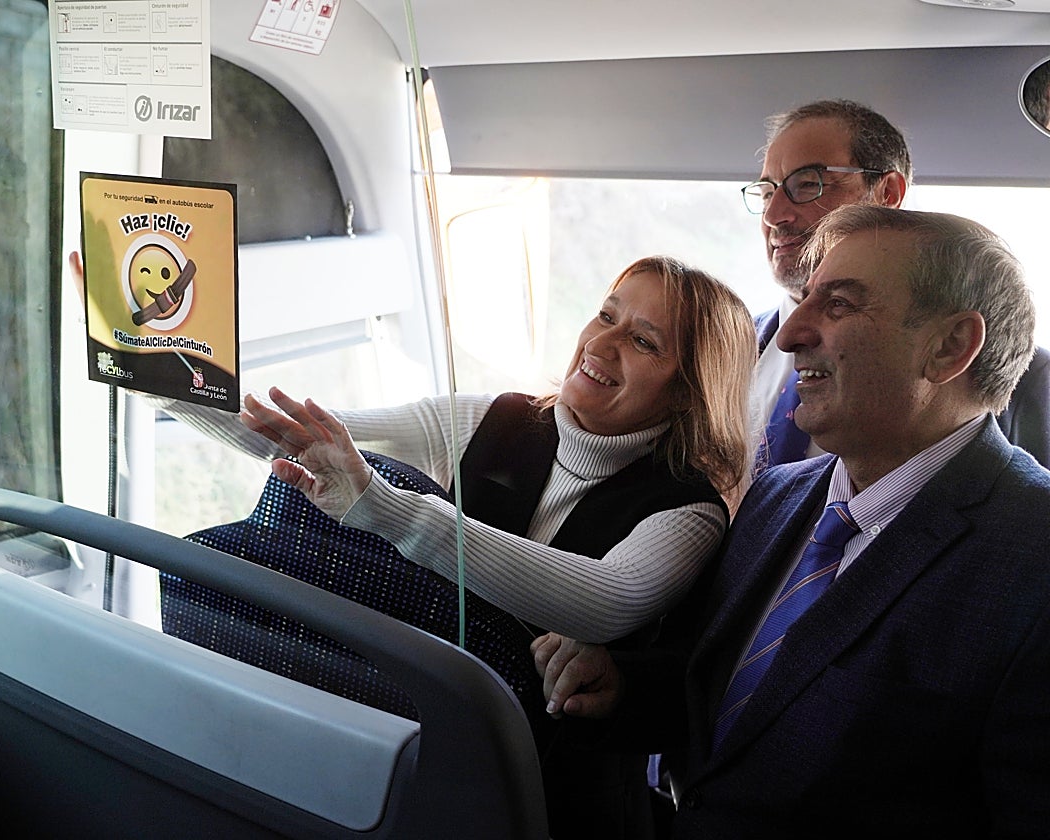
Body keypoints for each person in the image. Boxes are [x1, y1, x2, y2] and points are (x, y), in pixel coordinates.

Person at [170, 255, 758, 838]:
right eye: (606, 315)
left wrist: (385, 506)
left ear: (689, 392)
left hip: (554, 801)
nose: (602, 344)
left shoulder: (691, 509)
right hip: (409, 747)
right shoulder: (490, 418)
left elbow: (605, 599)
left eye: (643, 341)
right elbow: (297, 438)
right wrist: (151, 363)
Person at [533, 205, 1050, 838]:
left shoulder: (1034, 554)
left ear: (948, 348)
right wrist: (623, 687)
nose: (787, 334)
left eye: (837, 305)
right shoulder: (776, 497)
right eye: (803, 298)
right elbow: (731, 699)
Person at [748, 99, 1050, 469]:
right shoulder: (728, 347)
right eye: (766, 193)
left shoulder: (1021, 381)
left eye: (808, 184)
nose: (774, 215)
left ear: (887, 193)